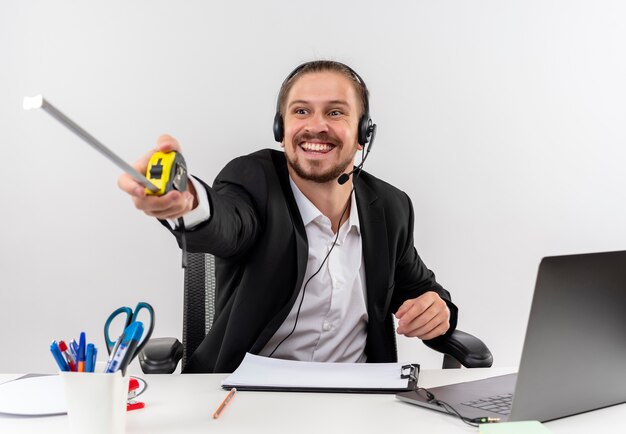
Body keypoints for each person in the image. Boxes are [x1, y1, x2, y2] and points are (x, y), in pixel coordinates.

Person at [118, 60, 458, 373]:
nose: (316, 125)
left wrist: (438, 310)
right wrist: (188, 201)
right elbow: (228, 223)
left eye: (336, 113)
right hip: (247, 398)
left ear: (363, 134)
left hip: (359, 400)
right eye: (301, 111)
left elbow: (423, 290)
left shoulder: (389, 206)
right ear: (281, 129)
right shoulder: (251, 181)